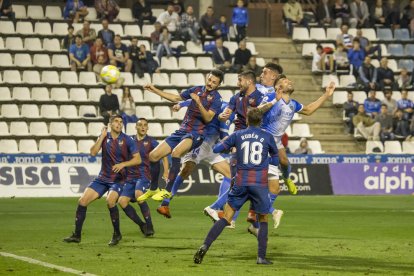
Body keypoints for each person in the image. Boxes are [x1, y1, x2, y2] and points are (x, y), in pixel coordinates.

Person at [193, 108, 279, 265]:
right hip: (259, 184)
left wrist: (229, 144)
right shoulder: (267, 136)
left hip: (240, 182)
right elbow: (275, 159)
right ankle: (261, 257)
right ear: (261, 122)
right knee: (263, 218)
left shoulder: (238, 135)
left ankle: (205, 246)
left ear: (246, 121)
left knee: (226, 217)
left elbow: (216, 149)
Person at [141, 70, 224, 207]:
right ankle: (153, 188)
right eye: (209, 80)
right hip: (182, 131)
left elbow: (208, 118)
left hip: (197, 134)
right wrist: (154, 90)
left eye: (214, 82)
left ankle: (167, 191)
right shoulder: (196, 89)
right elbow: (175, 98)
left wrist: (198, 103)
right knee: (153, 156)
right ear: (206, 78)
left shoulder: (217, 99)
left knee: (176, 153)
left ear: (218, 85)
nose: (210, 83)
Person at [63, 115, 141, 246]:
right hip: (103, 178)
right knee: (82, 201)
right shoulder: (105, 138)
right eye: (116, 122)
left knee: (110, 201)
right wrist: (101, 137)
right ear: (110, 124)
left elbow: (137, 159)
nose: (119, 124)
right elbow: (93, 153)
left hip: (118, 179)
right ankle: (76, 235)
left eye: (121, 122)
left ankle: (117, 234)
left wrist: (123, 164)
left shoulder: (127, 140)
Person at [118, 118, 169, 237]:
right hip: (130, 176)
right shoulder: (129, 140)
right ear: (135, 127)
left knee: (138, 194)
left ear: (147, 128)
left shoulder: (151, 142)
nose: (143, 127)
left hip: (144, 175)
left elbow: (165, 155)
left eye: (145, 125)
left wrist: (166, 171)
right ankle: (142, 225)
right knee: (122, 201)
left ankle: (150, 225)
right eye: (140, 125)